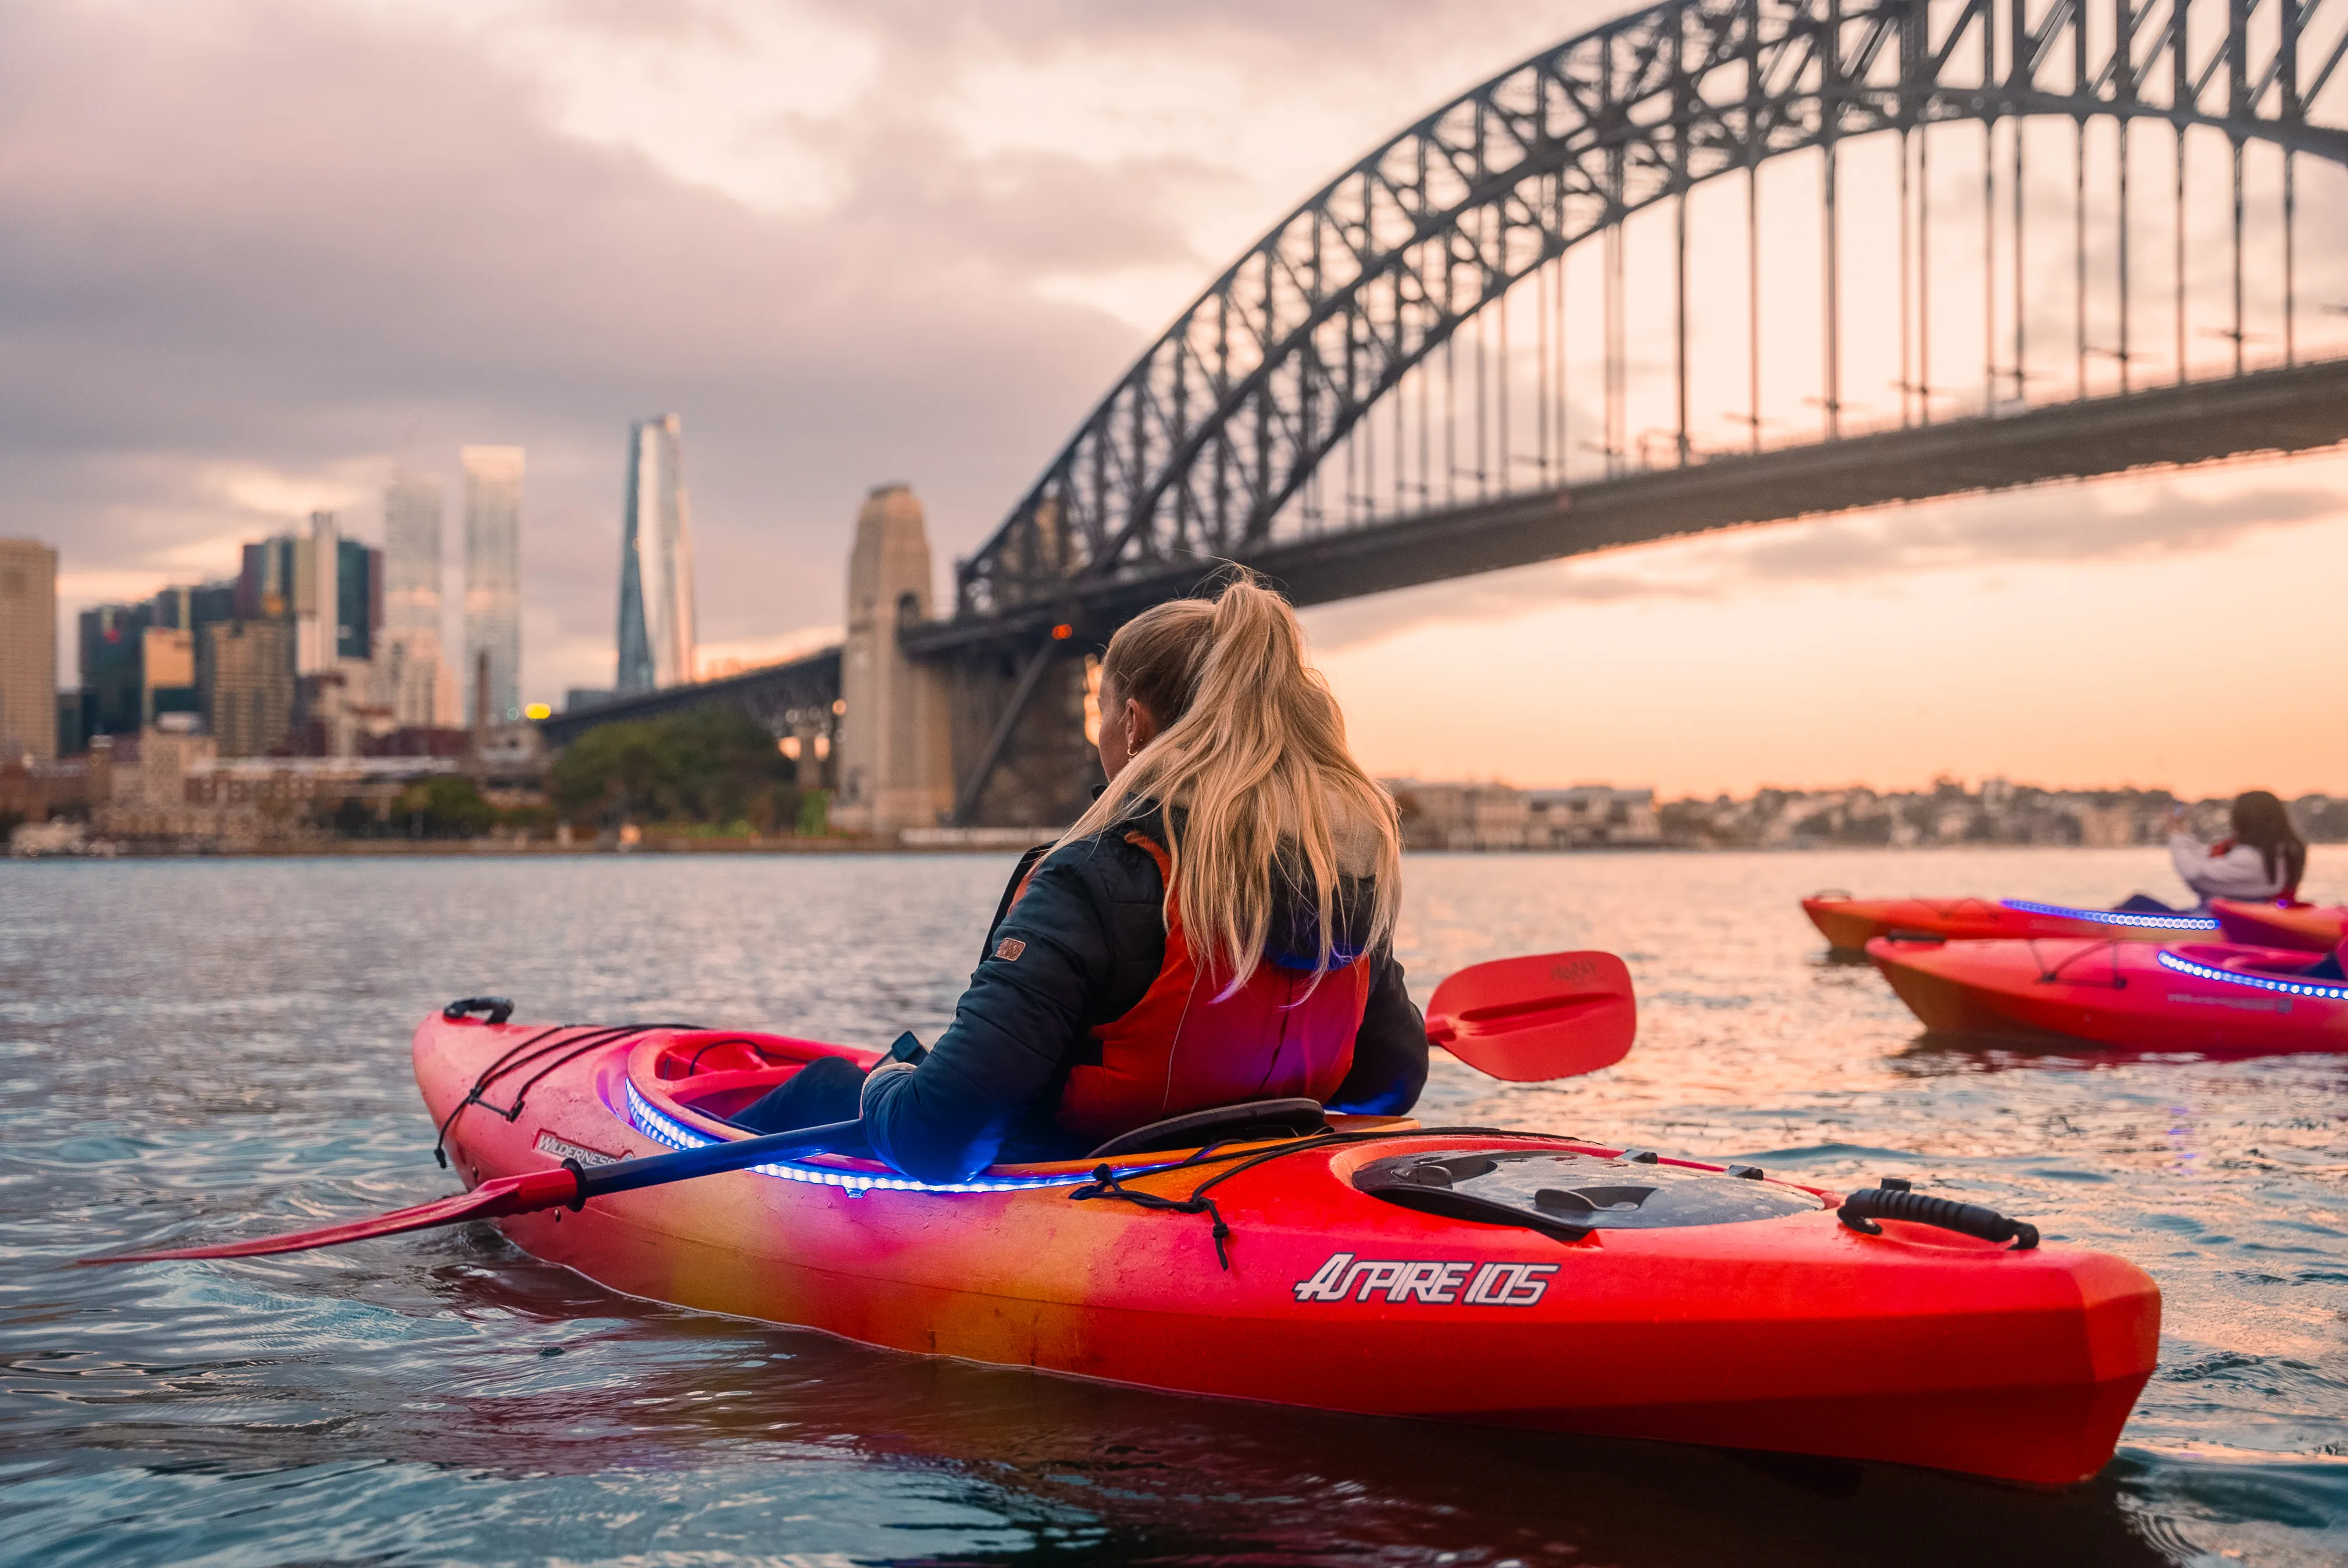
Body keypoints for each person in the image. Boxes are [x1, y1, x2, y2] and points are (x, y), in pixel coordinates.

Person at [733, 573, 1427, 1184]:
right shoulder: (1342, 875)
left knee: (830, 1086)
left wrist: (885, 1082)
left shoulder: (1093, 879)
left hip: (1087, 1180)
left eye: (1102, 716)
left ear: (1132, 724)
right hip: (1251, 1171)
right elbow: (1385, 1085)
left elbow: (938, 1141)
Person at [2164, 790, 2307, 907]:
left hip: (2230, 924)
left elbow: (2195, 874)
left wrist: (2176, 836)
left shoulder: (2252, 859)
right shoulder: (2283, 852)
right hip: (2253, 917)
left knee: (2141, 903)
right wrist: (2181, 833)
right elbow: (2200, 855)